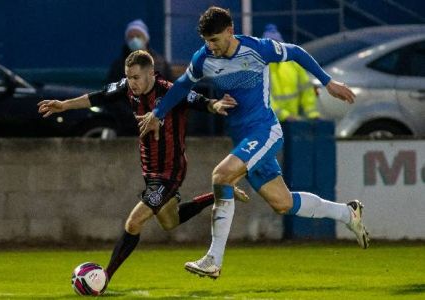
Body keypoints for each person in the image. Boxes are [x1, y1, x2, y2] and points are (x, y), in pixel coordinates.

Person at [137, 6, 369, 279]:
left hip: (264, 131)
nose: (210, 46)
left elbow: (294, 51)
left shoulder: (257, 49)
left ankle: (213, 259)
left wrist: (327, 82)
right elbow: (181, 86)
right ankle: (347, 213)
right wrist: (158, 113)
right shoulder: (204, 58)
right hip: (243, 138)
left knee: (221, 176)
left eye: (215, 40)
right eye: (206, 41)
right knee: (282, 203)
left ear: (230, 31)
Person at [37, 50, 249, 285]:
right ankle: (217, 194)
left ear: (150, 73)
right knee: (171, 222)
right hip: (150, 170)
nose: (132, 83)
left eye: (136, 77)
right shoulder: (127, 88)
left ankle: (104, 276)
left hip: (171, 171)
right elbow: (98, 97)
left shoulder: (169, 90)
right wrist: (64, 105)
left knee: (133, 222)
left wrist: (215, 104)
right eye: (128, 77)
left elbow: (198, 100)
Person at [263, 24, 320, 121]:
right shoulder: (260, 67)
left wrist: (312, 114)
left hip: (292, 122)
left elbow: (306, 91)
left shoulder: (293, 64)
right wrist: (284, 116)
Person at [106, 19, 173, 83]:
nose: (134, 40)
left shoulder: (161, 64)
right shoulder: (118, 66)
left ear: (146, 38)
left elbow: (170, 87)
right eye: (131, 37)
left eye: (138, 36)